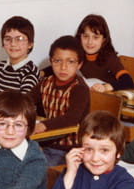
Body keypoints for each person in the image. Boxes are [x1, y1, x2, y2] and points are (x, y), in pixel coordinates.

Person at [29, 35, 90, 166]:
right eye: (58, 61)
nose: (63, 67)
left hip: (69, 150)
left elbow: (71, 118)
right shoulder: (46, 82)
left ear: (79, 64)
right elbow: (25, 101)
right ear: (51, 61)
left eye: (70, 62)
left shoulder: (80, 88)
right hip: (45, 144)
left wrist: (44, 125)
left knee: (34, 169)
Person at [74, 13, 134, 93]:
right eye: (86, 36)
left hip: (105, 97)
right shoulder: (75, 55)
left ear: (103, 40)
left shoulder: (109, 58)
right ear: (80, 37)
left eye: (96, 37)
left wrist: (105, 87)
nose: (90, 42)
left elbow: (127, 81)